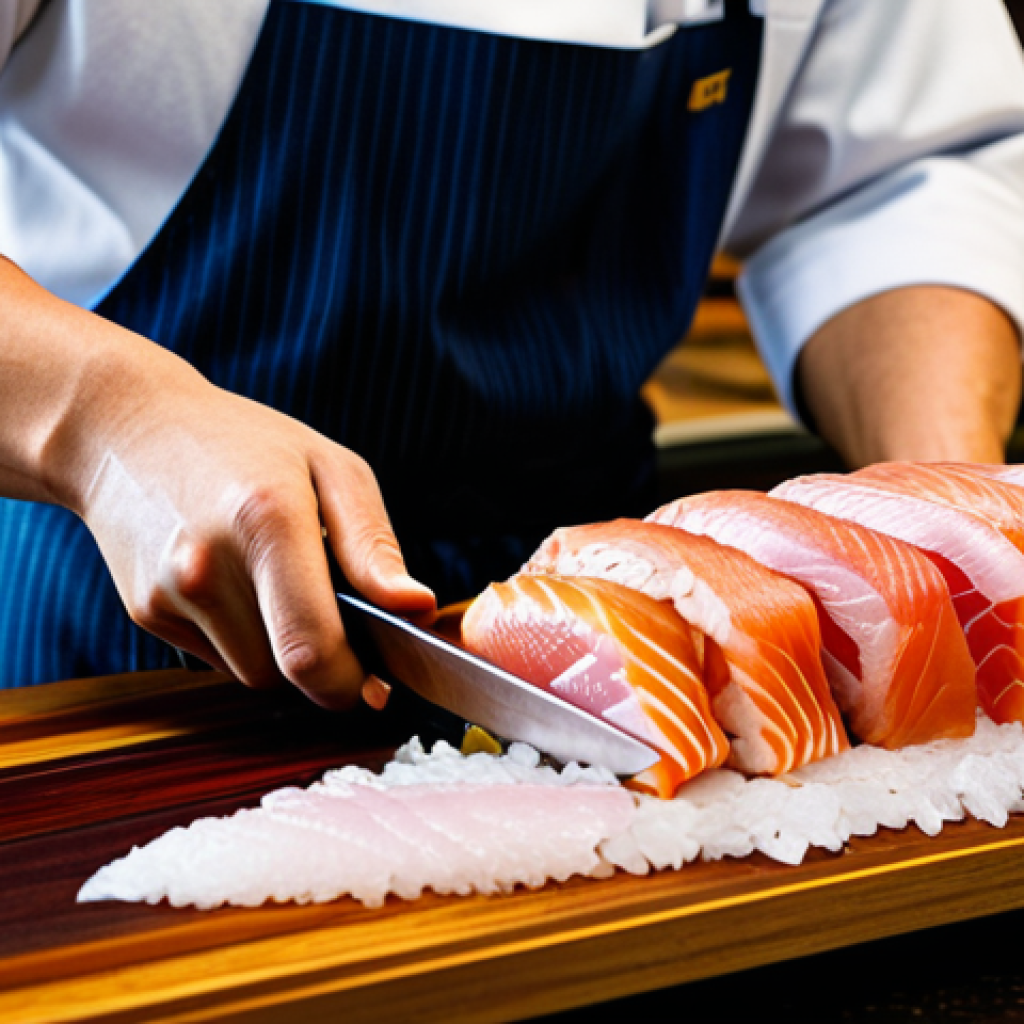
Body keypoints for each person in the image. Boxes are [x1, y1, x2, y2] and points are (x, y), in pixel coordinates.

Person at [0, 0, 1022, 708]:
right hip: (122, 641)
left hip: (618, 629)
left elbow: (895, 182)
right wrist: (109, 416)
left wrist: (951, 545)